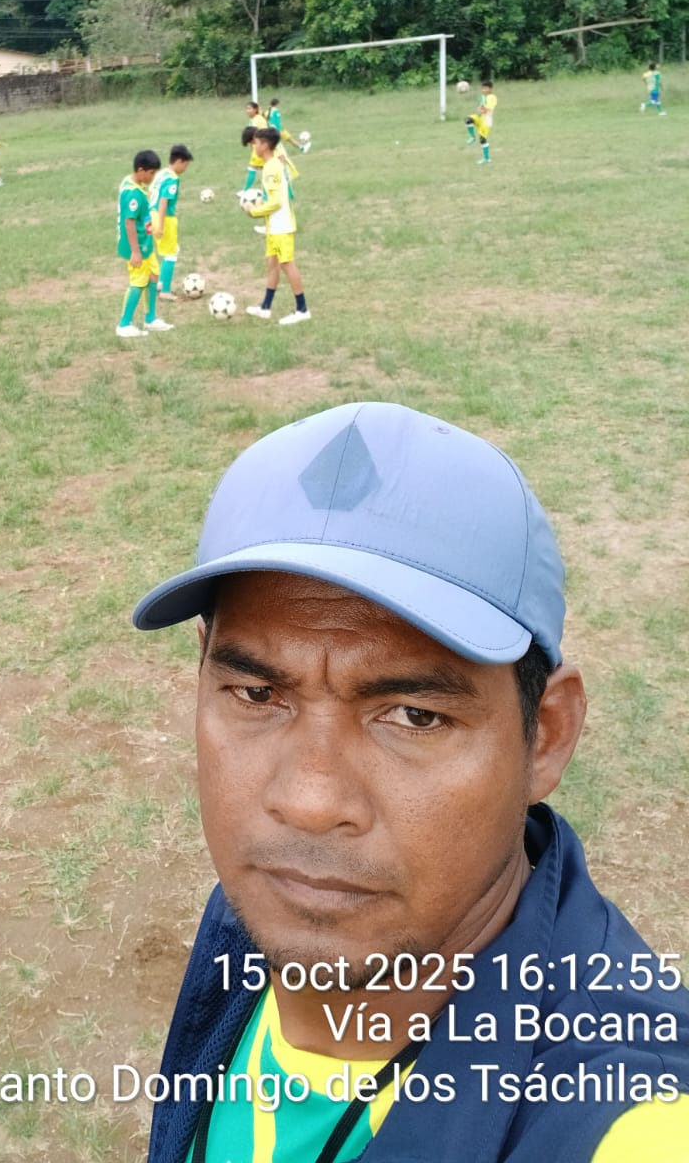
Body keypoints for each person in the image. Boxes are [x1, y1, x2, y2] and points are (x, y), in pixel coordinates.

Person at [131, 401, 689, 1163]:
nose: (309, 802)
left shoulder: (627, 1123)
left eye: (415, 716)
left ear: (547, 734)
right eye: (258, 694)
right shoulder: (265, 912)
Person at [243, 128, 310, 325]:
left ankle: (302, 310)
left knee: (287, 264)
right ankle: (265, 307)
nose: (254, 147)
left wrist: (254, 211)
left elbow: (276, 202)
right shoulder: (271, 165)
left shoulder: (272, 167)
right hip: (273, 225)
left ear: (265, 145)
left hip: (281, 225)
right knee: (272, 264)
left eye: (256, 143)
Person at [116, 149, 173, 338]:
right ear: (140, 171)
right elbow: (129, 222)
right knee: (138, 283)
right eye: (151, 173)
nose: (153, 177)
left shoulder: (133, 183)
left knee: (153, 275)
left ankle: (150, 319)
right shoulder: (132, 193)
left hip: (146, 244)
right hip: (137, 247)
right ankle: (124, 324)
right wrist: (135, 251)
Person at [151, 144, 194, 300]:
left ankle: (160, 284)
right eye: (186, 165)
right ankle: (165, 291)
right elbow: (164, 201)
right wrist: (161, 225)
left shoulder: (161, 174)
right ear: (179, 161)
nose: (185, 169)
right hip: (164, 218)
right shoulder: (172, 179)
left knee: (168, 251)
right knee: (171, 254)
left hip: (152, 214)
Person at [466, 80, 497, 164]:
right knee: (468, 119)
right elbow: (480, 108)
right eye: (483, 88)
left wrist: (482, 108)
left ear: (490, 89)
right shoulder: (482, 97)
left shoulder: (492, 97)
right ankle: (472, 137)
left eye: (486, 88)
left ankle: (486, 159)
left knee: (482, 139)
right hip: (480, 117)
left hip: (487, 120)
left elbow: (488, 108)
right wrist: (479, 108)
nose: (484, 90)